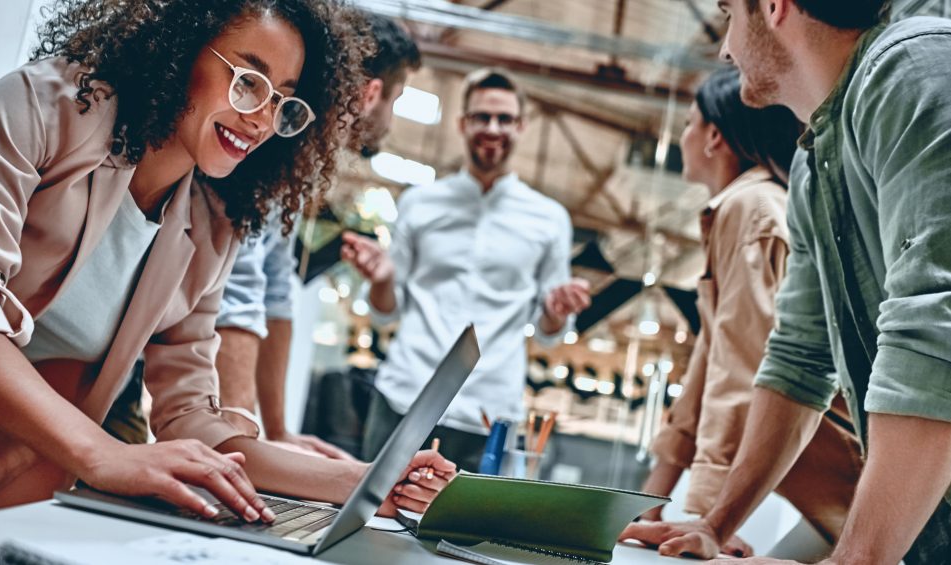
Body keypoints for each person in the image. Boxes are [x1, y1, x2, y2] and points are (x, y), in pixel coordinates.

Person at [0, 0, 453, 546]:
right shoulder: (42, 106)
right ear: (180, 48)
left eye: (285, 102)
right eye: (248, 82)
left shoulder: (210, 224)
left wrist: (368, 481)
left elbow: (192, 419)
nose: (261, 118)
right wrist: (107, 454)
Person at [621, 1, 951, 563]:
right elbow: (798, 358)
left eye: (731, 13)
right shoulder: (813, 165)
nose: (725, 48)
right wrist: (713, 522)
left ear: (775, 7)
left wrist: (854, 559)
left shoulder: (926, 70)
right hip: (950, 523)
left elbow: (940, 330)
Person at [634, 67, 861, 558]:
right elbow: (706, 368)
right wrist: (650, 501)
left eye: (690, 122)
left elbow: (743, 367)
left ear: (715, 136)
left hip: (846, 478)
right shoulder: (740, 209)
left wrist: (709, 517)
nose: (683, 135)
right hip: (826, 488)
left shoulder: (751, 209)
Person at [342, 68, 592, 472]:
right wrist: (384, 280)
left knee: (467, 534)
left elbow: (550, 334)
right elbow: (386, 310)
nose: (493, 128)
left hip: (489, 412)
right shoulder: (419, 204)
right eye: (481, 117)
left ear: (522, 126)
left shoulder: (550, 219)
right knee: (372, 520)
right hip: (406, 397)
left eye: (505, 118)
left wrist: (556, 311)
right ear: (462, 123)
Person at [212, 12, 422, 459]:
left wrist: (277, 431)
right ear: (371, 94)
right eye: (397, 99)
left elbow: (274, 290)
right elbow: (241, 289)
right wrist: (245, 444)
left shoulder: (305, 160)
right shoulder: (277, 141)